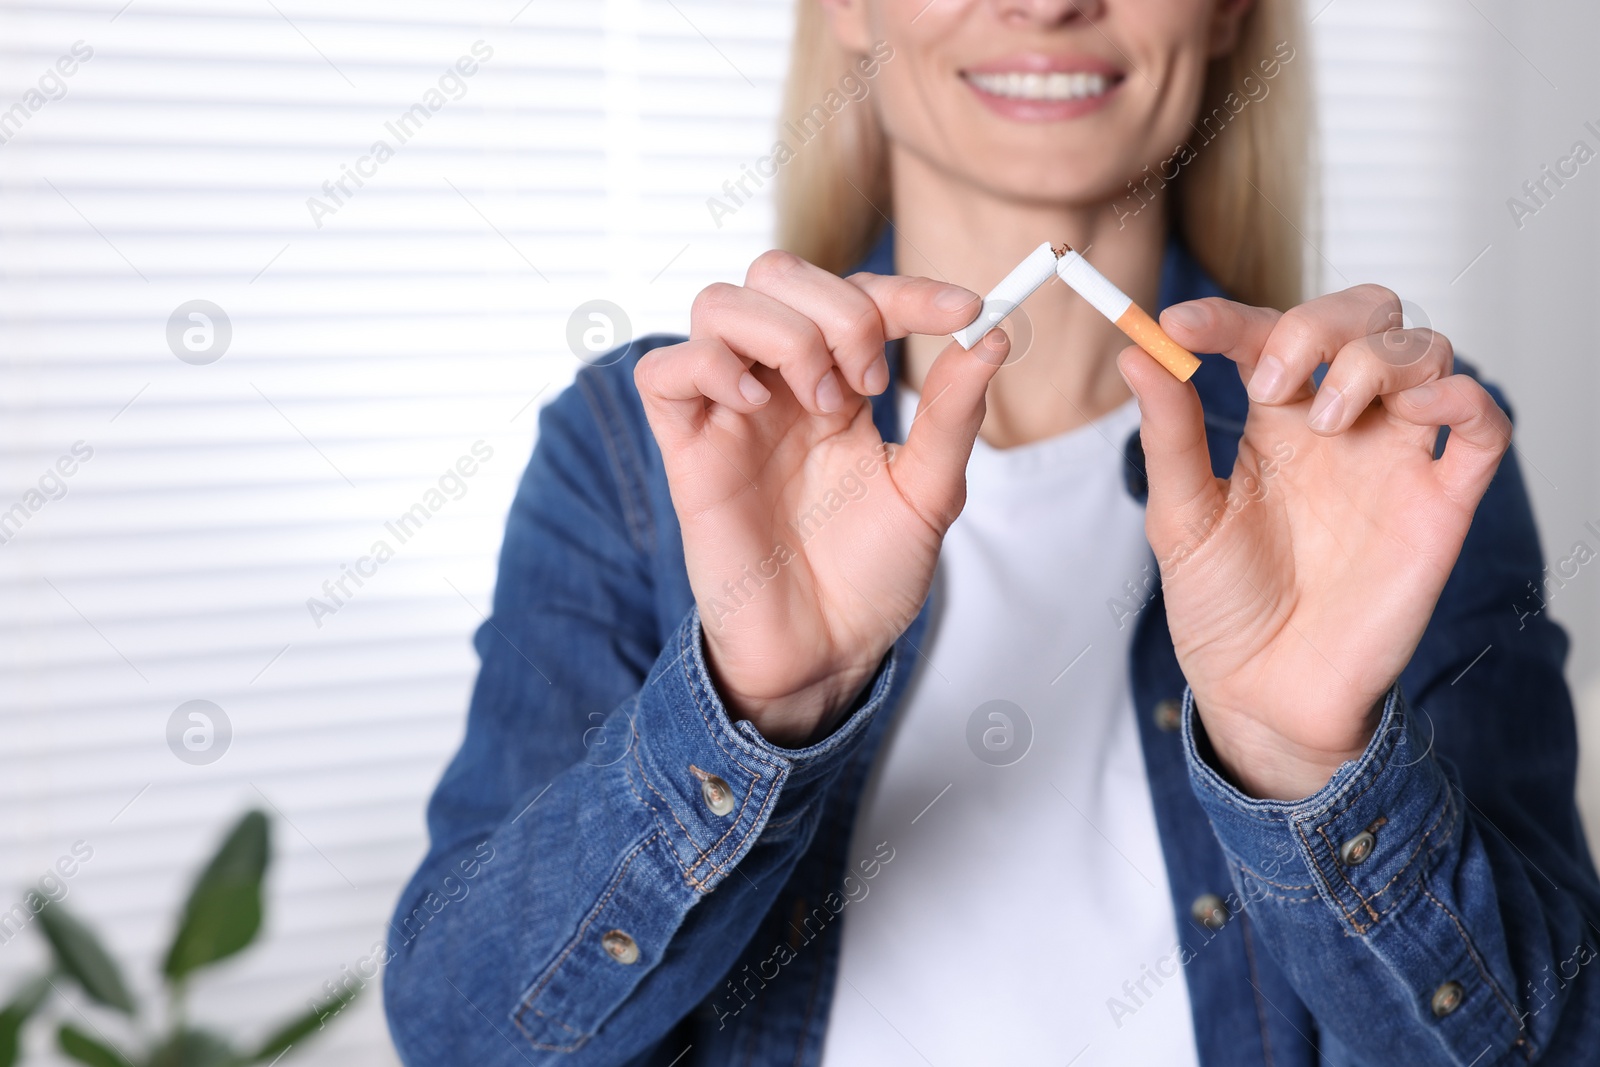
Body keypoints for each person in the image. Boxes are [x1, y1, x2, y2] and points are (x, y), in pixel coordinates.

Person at [383, 0, 1600, 1063]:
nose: (1049, 2)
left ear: (1228, 8)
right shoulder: (647, 440)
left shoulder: (1391, 456)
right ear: (847, 6)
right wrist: (750, 707)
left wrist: (1309, 766)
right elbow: (465, 1035)